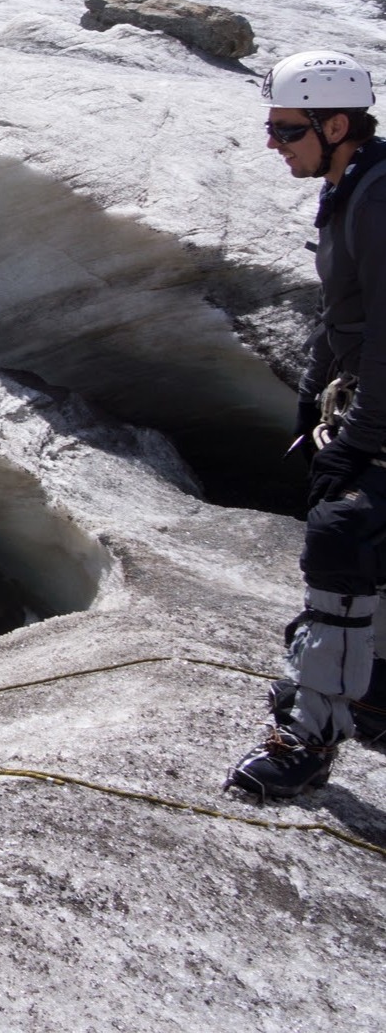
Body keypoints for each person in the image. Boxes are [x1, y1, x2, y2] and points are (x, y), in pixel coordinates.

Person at [228, 51, 386, 799]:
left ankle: (309, 738)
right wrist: (313, 391)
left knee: (342, 540)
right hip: (363, 397)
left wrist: (356, 440)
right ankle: (374, 691)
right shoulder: (349, 188)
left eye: (286, 131)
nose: (272, 145)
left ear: (335, 124)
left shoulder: (378, 200)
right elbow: (341, 313)